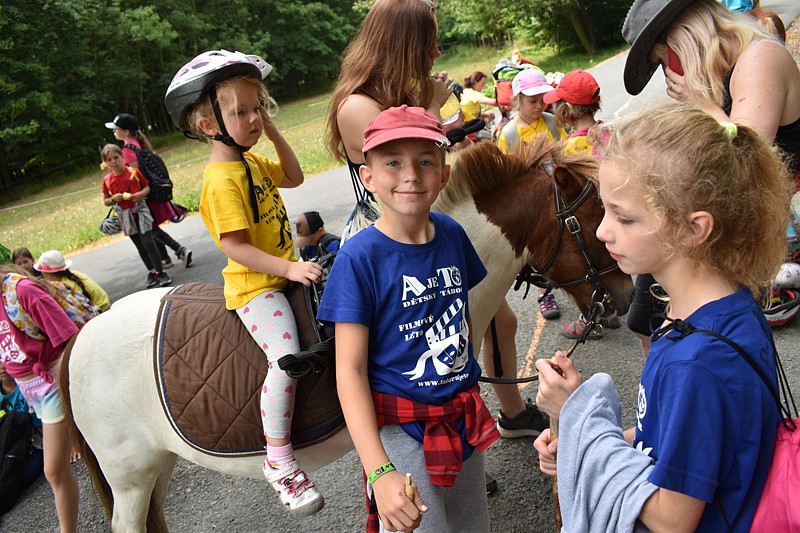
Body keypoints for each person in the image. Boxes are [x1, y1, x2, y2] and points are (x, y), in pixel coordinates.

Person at [534, 103, 788, 532]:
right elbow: (672, 441)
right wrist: (581, 439)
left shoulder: (698, 362)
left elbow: (673, 519)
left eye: (625, 217)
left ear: (694, 228)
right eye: (605, 210)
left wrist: (581, 418)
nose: (601, 232)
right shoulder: (714, 307)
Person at [325, 0, 548, 442]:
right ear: (404, 43)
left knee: (499, 320)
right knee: (425, 341)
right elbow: (405, 164)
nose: (436, 52)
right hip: (387, 235)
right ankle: (432, 440)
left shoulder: (394, 92)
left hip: (428, 223)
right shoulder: (357, 105)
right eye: (430, 41)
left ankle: (512, 412)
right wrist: (429, 105)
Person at [318, 105, 500, 532]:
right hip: (402, 432)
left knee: (473, 526)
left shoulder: (453, 234)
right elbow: (349, 369)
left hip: (461, 416)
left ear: (444, 174)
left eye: (424, 162)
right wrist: (379, 472)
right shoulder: (359, 258)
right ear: (368, 177)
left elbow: (461, 318)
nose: (411, 175)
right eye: (392, 162)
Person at [165, 49, 324, 516]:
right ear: (207, 125)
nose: (254, 118)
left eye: (259, 108)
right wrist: (291, 268)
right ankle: (278, 459)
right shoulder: (220, 180)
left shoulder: (251, 164)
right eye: (241, 112)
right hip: (258, 288)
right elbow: (235, 247)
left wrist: (272, 133)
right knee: (286, 358)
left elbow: (293, 176)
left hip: (284, 275)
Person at [623, 0, 800, 351]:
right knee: (646, 318)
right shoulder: (725, 71)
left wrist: (700, 104)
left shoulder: (759, 57)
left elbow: (746, 156)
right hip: (728, 214)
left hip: (749, 218)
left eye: (663, 60)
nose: (665, 73)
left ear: (683, 36)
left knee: (673, 325)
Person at [0, 265, 80, 532]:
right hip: (28, 391)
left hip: (51, 383)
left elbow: (71, 339)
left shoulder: (22, 291)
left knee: (54, 471)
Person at [543, 70, 621, 340]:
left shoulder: (571, 146)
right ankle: (611, 312)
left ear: (571, 107)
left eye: (559, 102)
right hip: (611, 212)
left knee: (590, 267)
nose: (555, 108)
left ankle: (592, 318)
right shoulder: (607, 131)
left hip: (588, 218)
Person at [105, 113, 193, 269]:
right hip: (147, 193)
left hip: (139, 197)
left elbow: (133, 175)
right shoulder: (136, 144)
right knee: (150, 228)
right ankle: (164, 258)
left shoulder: (126, 150)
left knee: (149, 229)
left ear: (125, 132)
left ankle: (180, 250)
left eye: (116, 129)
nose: (114, 132)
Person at [100, 144, 172, 289]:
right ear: (106, 163)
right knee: (139, 245)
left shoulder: (133, 172)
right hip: (125, 215)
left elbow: (147, 187)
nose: (114, 161)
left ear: (122, 157)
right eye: (110, 159)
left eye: (116, 157)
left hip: (140, 211)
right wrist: (114, 198)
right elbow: (106, 201)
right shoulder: (107, 180)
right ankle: (151, 272)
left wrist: (139, 194)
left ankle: (160, 271)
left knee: (148, 242)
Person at [0, 363, 44, 512]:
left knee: (18, 480)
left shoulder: (25, 384)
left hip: (37, 444)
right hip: (11, 446)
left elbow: (45, 420)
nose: (1, 367)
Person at [33, 250, 110, 312]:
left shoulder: (65, 286)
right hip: (105, 305)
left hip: (101, 311)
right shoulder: (73, 274)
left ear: (47, 273)